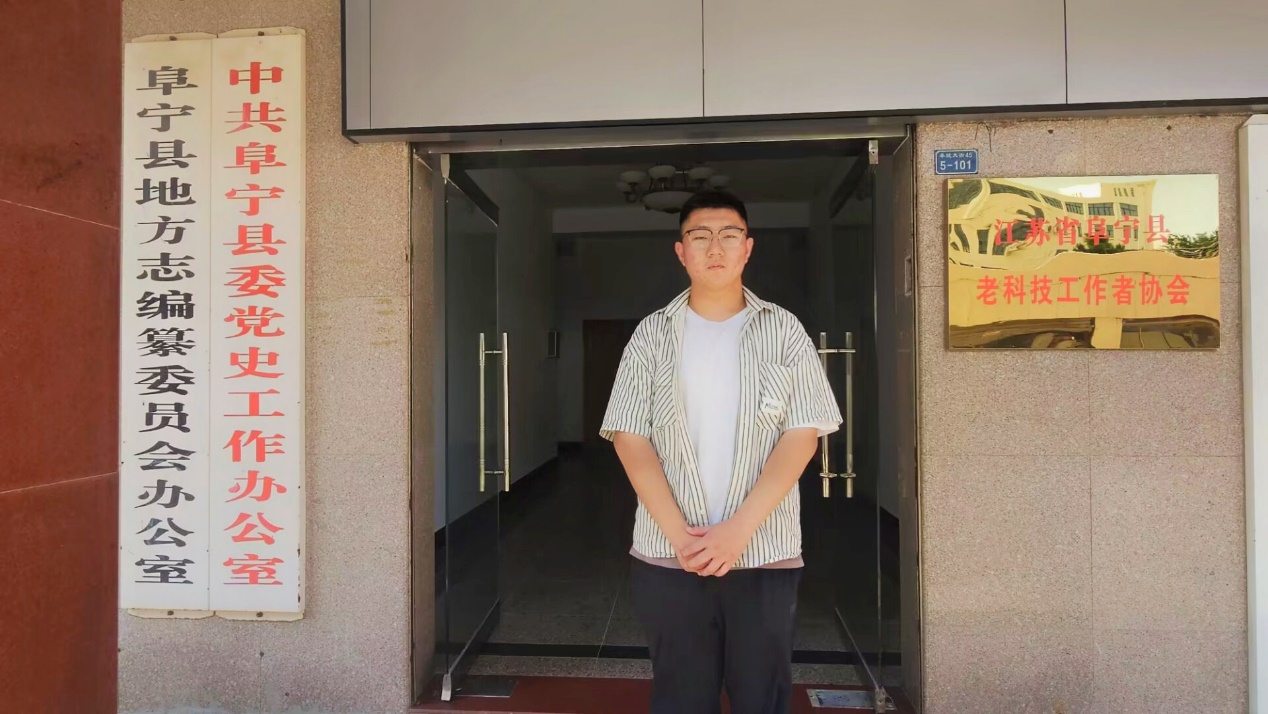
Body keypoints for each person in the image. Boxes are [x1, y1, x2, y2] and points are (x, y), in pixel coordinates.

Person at [600, 190, 842, 714]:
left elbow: (803, 434)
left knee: (762, 698)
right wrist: (680, 537)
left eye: (729, 235)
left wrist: (737, 532)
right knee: (681, 698)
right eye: (700, 236)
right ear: (681, 251)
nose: (715, 247)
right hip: (669, 555)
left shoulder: (784, 331)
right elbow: (629, 436)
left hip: (764, 553)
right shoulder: (651, 335)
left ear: (747, 248)